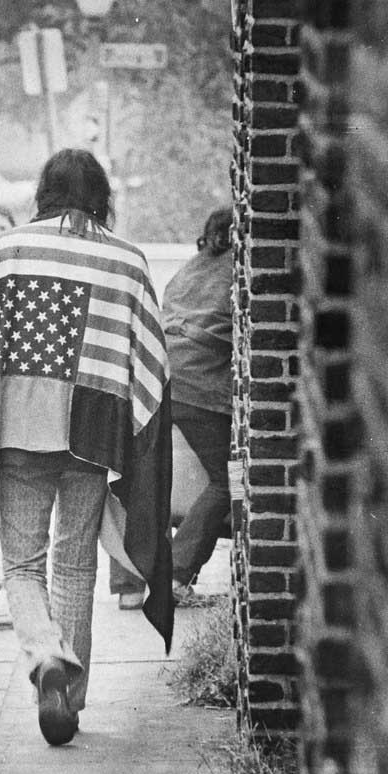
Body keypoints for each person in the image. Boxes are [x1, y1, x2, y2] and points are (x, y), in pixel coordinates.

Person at [0, 148, 174, 746]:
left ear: (43, 191)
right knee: (75, 563)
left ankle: (46, 657)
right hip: (94, 434)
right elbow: (152, 362)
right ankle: (69, 694)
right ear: (102, 195)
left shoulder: (10, 251)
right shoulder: (129, 263)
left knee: (22, 564)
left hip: (19, 431)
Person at [163, 207, 233, 605]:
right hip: (202, 387)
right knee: (228, 480)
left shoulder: (189, 268)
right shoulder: (236, 270)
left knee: (152, 482)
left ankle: (145, 578)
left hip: (166, 378)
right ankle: (175, 574)